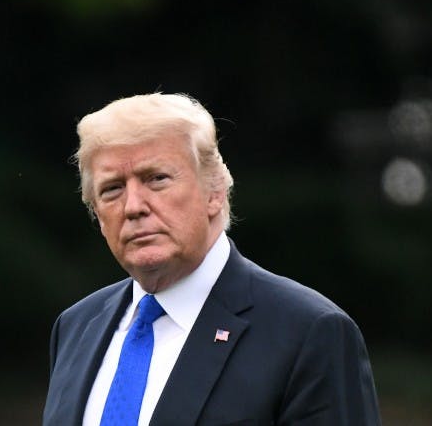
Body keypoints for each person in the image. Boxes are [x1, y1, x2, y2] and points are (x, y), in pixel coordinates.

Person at [42, 93, 380, 426]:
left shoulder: (308, 332)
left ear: (215, 191)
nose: (133, 206)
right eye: (112, 188)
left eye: (156, 179)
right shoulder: (75, 327)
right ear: (97, 215)